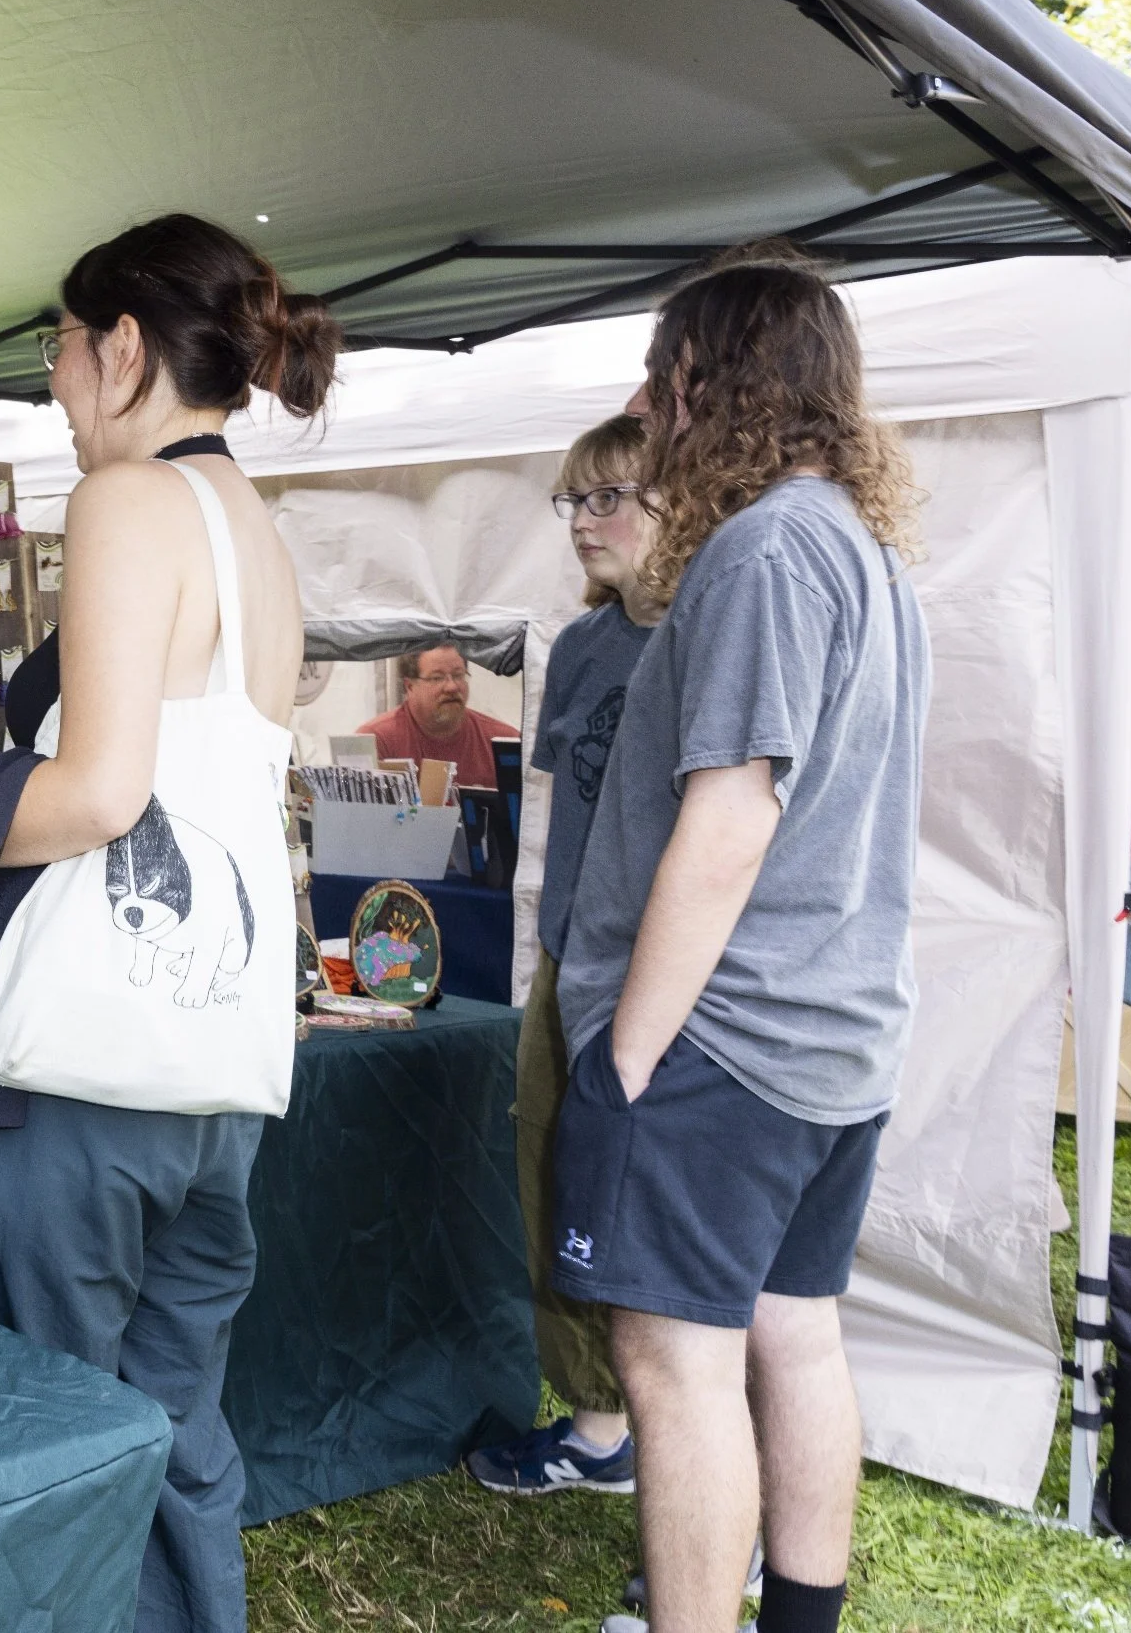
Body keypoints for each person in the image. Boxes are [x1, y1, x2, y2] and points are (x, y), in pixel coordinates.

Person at [0, 213, 334, 1633]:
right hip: (211, 1067)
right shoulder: (255, 530)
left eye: (62, 350)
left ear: (125, 346)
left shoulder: (130, 503)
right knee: (170, 1430)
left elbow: (99, 793)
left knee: (22, 1437)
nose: (56, 384)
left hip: (84, 1080)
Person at [552, 255, 928, 1633]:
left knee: (676, 1366)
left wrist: (627, 1055)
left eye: (669, 376)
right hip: (830, 1038)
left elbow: (732, 816)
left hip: (724, 1041)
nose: (651, 406)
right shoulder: (866, 550)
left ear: (721, 383)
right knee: (792, 1332)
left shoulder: (768, 549)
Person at [465, 413, 657, 1498]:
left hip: (666, 981)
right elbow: (562, 815)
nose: (583, 522)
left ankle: (684, 1438)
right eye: (572, 501)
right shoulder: (580, 646)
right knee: (554, 1185)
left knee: (655, 1215)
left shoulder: (708, 636)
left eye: (608, 498)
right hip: (565, 964)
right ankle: (597, 1431)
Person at [356, 643, 518, 782]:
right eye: (437, 678)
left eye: (458, 675)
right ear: (409, 686)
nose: (452, 687)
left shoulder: (504, 742)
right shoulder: (376, 741)